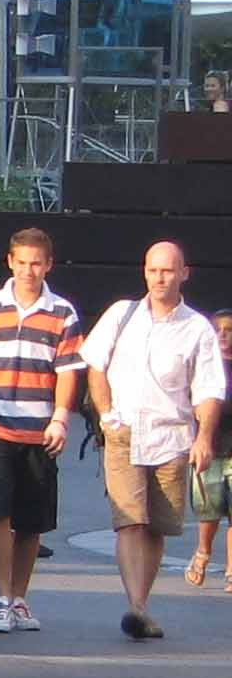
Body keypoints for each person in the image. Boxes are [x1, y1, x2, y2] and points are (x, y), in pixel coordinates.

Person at [80, 241, 226, 640]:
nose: (159, 278)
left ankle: (141, 603)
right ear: (144, 272)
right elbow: (95, 364)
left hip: (172, 437)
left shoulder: (197, 328)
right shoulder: (121, 314)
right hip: (124, 431)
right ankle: (136, 606)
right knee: (130, 521)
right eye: (152, 270)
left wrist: (204, 438)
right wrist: (107, 415)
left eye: (167, 271)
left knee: (157, 527)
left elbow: (209, 388)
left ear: (184, 274)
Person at [0, 227, 83, 634]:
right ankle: (2, 599)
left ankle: (20, 598)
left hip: (38, 432)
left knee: (31, 522)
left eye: (36, 263)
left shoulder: (63, 313)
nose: (28, 270)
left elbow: (68, 372)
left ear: (49, 265)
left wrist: (61, 418)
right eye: (21, 262)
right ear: (10, 262)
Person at [187, 310, 232, 589]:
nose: (223, 336)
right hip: (209, 448)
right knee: (209, 510)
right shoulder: (202, 366)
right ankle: (203, 552)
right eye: (218, 330)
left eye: (229, 330)